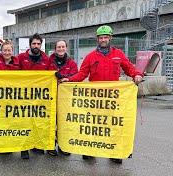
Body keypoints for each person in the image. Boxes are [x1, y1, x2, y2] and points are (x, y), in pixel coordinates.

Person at [61, 25, 143, 164]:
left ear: (110, 38)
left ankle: (114, 152)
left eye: (106, 37)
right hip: (95, 98)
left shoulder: (118, 54)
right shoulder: (90, 56)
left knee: (113, 125)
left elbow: (129, 68)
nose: (103, 40)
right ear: (97, 39)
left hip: (112, 98)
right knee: (92, 125)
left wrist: (137, 75)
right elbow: (82, 74)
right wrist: (69, 79)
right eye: (101, 37)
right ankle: (89, 150)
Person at [17, 33, 50, 159]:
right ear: (30, 44)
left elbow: (51, 72)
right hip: (24, 96)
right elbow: (13, 73)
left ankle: (36, 145)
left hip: (39, 96)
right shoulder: (21, 57)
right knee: (25, 122)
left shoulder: (46, 59)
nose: (36, 46)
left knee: (38, 121)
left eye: (38, 44)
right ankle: (24, 148)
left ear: (41, 45)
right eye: (34, 43)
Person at [47, 40, 78, 156]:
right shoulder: (48, 61)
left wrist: (65, 78)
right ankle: (50, 145)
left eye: (63, 46)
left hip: (65, 99)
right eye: (58, 47)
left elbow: (76, 77)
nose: (61, 49)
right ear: (55, 49)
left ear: (66, 48)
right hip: (50, 97)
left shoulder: (72, 63)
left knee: (63, 122)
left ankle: (63, 145)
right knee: (50, 122)